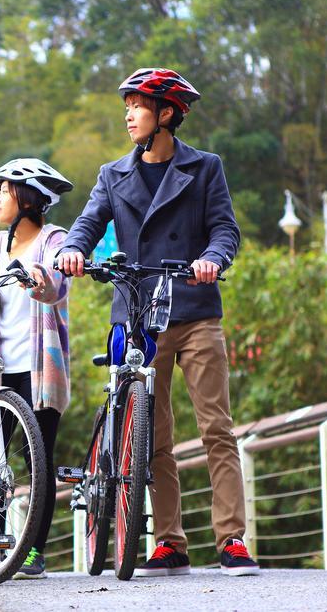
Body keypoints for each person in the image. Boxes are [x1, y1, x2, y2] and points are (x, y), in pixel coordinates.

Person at [56, 68, 260, 576]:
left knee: (217, 428)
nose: (128, 115)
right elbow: (88, 221)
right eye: (126, 106)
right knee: (154, 436)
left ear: (166, 114)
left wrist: (213, 258)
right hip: (138, 313)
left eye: (138, 105)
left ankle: (231, 539)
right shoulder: (112, 174)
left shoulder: (205, 168)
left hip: (194, 312)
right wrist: (73, 250)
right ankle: (170, 541)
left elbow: (224, 229)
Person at [0, 157, 73, 579]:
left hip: (41, 370)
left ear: (27, 199)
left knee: (38, 460)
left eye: (4, 192)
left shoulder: (55, 239)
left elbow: (55, 283)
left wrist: (35, 277)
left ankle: (34, 552)